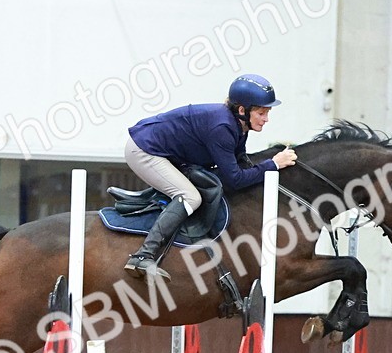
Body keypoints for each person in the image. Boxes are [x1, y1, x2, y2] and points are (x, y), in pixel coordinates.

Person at [122, 74, 299, 278]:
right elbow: (235, 179)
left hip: (166, 151)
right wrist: (273, 164)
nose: (266, 119)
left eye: (267, 113)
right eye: (261, 113)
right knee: (191, 196)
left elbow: (239, 163)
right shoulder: (222, 128)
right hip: (145, 150)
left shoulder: (240, 126)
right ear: (242, 110)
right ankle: (143, 256)